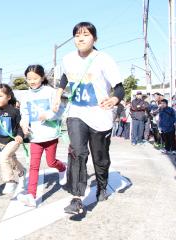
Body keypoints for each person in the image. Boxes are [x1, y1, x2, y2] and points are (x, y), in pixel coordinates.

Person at [53, 22, 125, 214]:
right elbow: (65, 78)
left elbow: (119, 87)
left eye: (85, 35)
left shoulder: (104, 59)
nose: (81, 38)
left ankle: (102, 184)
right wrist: (58, 93)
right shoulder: (68, 59)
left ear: (95, 38)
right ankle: (76, 198)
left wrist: (115, 99)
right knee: (77, 152)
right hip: (77, 113)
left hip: (100, 116)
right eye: (77, 35)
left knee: (100, 159)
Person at [16, 65, 67, 207]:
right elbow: (24, 113)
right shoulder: (25, 96)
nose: (32, 81)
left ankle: (63, 168)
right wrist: (24, 123)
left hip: (50, 135)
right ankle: (31, 196)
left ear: (42, 77)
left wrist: (48, 115)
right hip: (35, 137)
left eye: (35, 78)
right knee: (34, 166)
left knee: (51, 162)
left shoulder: (51, 92)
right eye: (29, 79)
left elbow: (60, 110)